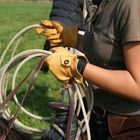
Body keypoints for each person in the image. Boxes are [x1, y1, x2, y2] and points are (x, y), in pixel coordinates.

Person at [36, 0, 140, 139]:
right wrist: (72, 37)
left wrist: (75, 65)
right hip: (97, 115)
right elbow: (106, 44)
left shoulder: (131, 5)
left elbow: (137, 86)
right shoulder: (101, 4)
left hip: (129, 125)